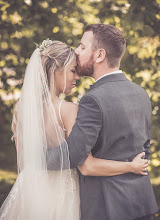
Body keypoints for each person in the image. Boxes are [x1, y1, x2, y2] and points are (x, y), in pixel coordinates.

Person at [0, 39, 148, 220]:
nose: (77, 77)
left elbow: (25, 161)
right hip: (61, 196)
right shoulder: (68, 110)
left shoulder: (21, 109)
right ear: (55, 72)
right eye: (72, 71)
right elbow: (87, 165)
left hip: (30, 192)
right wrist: (131, 166)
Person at [47, 24, 159, 220]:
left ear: (99, 55)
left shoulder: (93, 99)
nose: (77, 51)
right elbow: (144, 151)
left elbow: (73, 154)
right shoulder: (141, 94)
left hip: (106, 208)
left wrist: (36, 157)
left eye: (82, 47)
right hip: (141, 204)